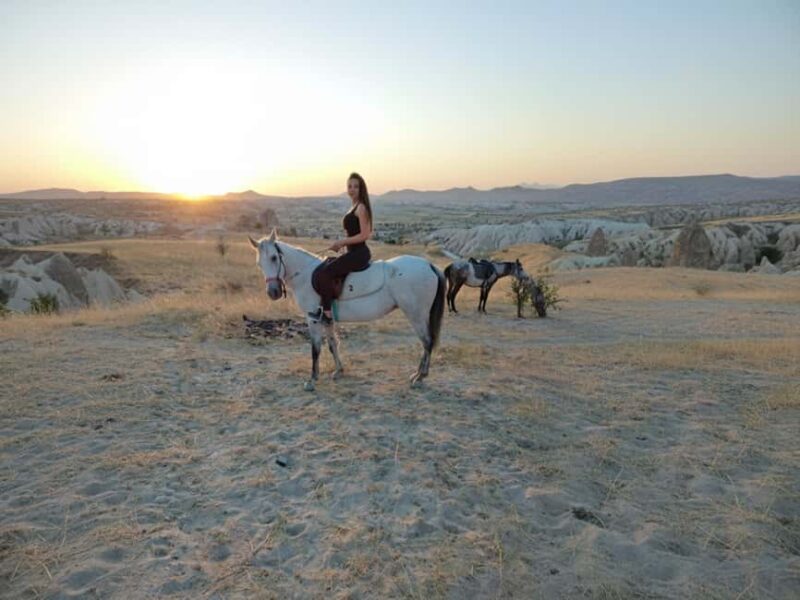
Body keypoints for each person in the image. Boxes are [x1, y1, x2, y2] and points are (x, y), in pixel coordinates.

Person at [310, 172, 373, 323]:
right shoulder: (353, 207)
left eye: (356, 187)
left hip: (360, 253)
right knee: (326, 264)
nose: (352, 189)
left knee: (326, 272)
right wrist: (342, 245)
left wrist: (342, 242)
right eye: (349, 186)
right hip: (352, 252)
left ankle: (327, 314)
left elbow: (365, 235)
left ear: (361, 189)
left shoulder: (361, 208)